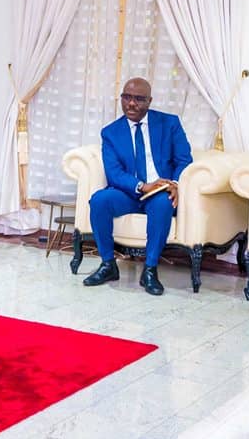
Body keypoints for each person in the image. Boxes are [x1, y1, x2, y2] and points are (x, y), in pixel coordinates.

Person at [80, 77, 193, 296]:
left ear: (149, 101)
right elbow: (114, 173)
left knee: (162, 203)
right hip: (130, 191)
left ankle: (149, 270)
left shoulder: (169, 124)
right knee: (99, 200)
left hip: (160, 192)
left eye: (139, 99)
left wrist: (175, 184)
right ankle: (108, 265)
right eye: (127, 97)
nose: (131, 104)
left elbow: (184, 160)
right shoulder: (111, 132)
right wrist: (142, 186)